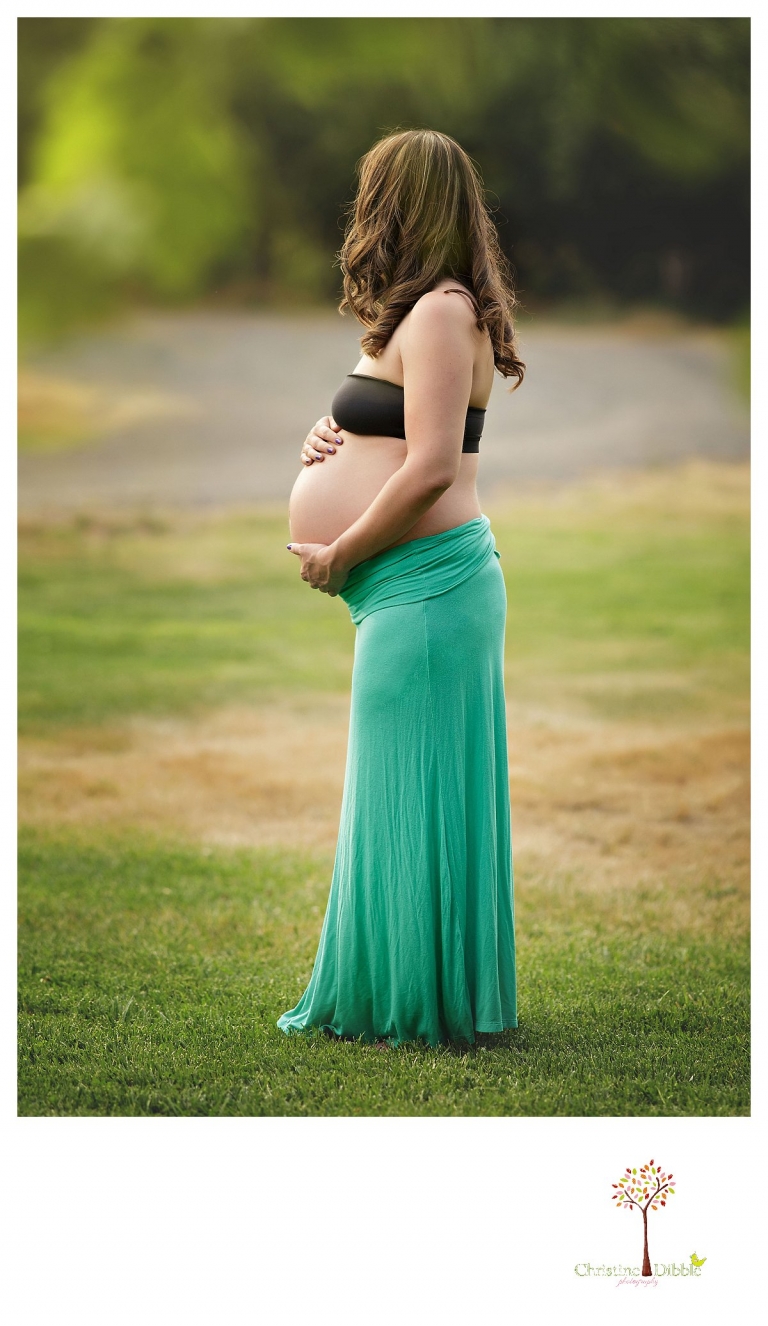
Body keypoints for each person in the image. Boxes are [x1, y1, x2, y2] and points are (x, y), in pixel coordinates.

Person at [277, 128, 524, 1048]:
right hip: (411, 596)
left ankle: (416, 1006)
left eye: (373, 196)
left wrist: (340, 550)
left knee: (408, 794)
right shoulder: (421, 315)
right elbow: (399, 422)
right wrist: (326, 429)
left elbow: (427, 469)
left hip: (429, 589)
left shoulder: (442, 312)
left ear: (399, 205)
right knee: (397, 792)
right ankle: (405, 995)